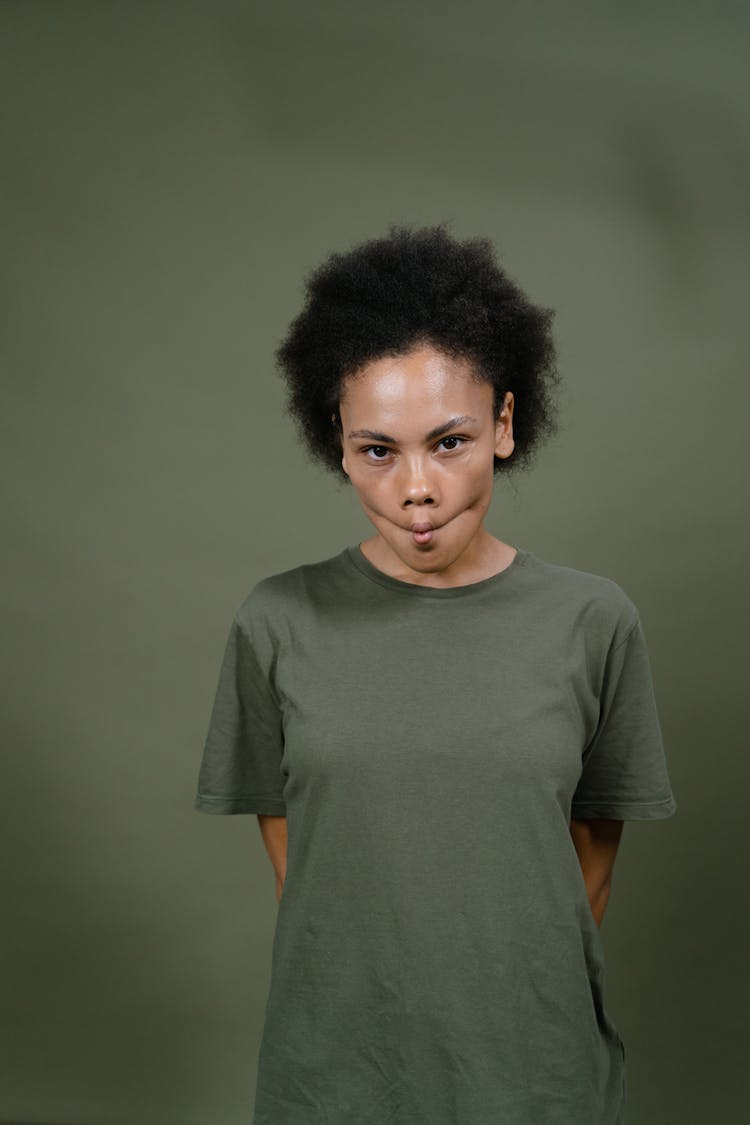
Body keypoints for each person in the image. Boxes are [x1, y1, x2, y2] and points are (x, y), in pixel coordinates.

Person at [194, 222, 678, 1124]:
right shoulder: (277, 620)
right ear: (336, 443)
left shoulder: (593, 621)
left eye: (448, 441)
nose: (416, 486)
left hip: (537, 1080)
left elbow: (590, 871)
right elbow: (304, 872)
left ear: (503, 422)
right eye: (378, 449)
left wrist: (501, 1017)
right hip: (333, 1080)